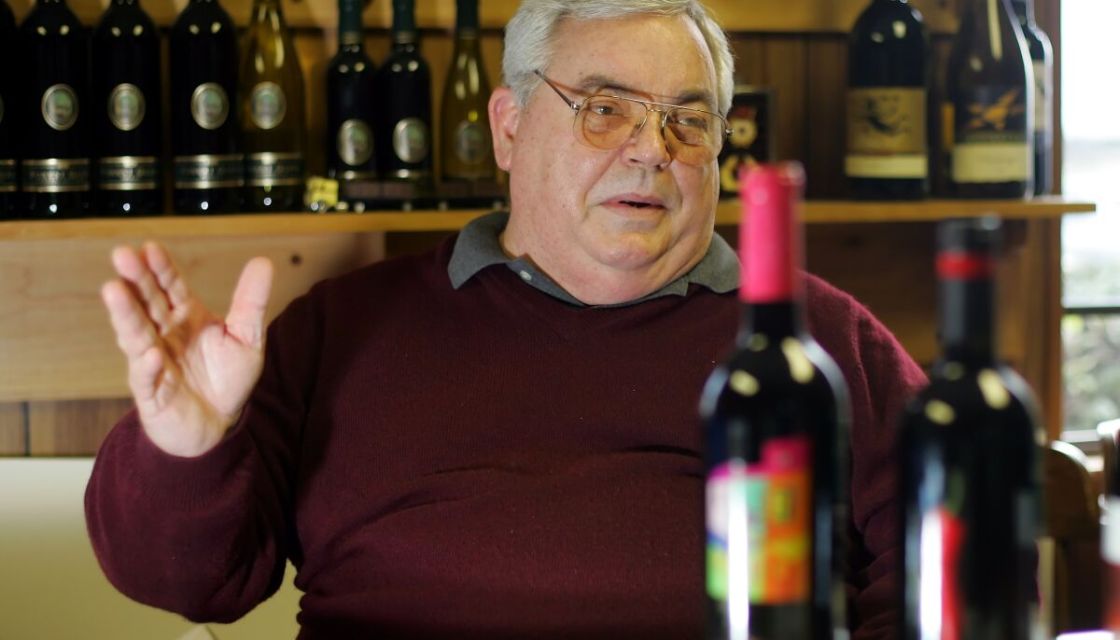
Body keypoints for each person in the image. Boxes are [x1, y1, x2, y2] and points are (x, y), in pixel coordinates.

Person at [85, 1, 926, 638]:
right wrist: (186, 450)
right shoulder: (343, 328)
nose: (651, 149)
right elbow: (188, 583)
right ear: (510, 128)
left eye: (688, 120)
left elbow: (952, 561)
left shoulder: (819, 342)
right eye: (605, 108)